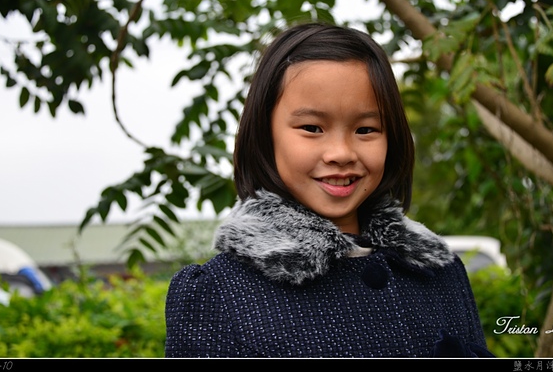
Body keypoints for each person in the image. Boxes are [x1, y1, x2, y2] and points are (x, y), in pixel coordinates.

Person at [164, 22, 494, 358]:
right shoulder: (218, 293)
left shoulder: (440, 272)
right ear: (265, 134)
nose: (341, 153)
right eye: (312, 128)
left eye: (366, 129)